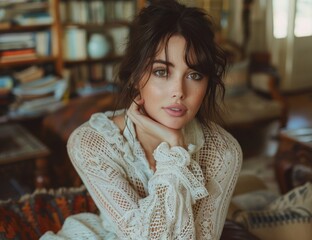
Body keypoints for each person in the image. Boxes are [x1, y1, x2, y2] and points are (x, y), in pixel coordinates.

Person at [41, 0, 242, 239]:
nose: (179, 91)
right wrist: (174, 155)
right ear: (136, 76)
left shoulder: (223, 152)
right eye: (161, 72)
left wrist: (174, 147)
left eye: (194, 75)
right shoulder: (91, 142)